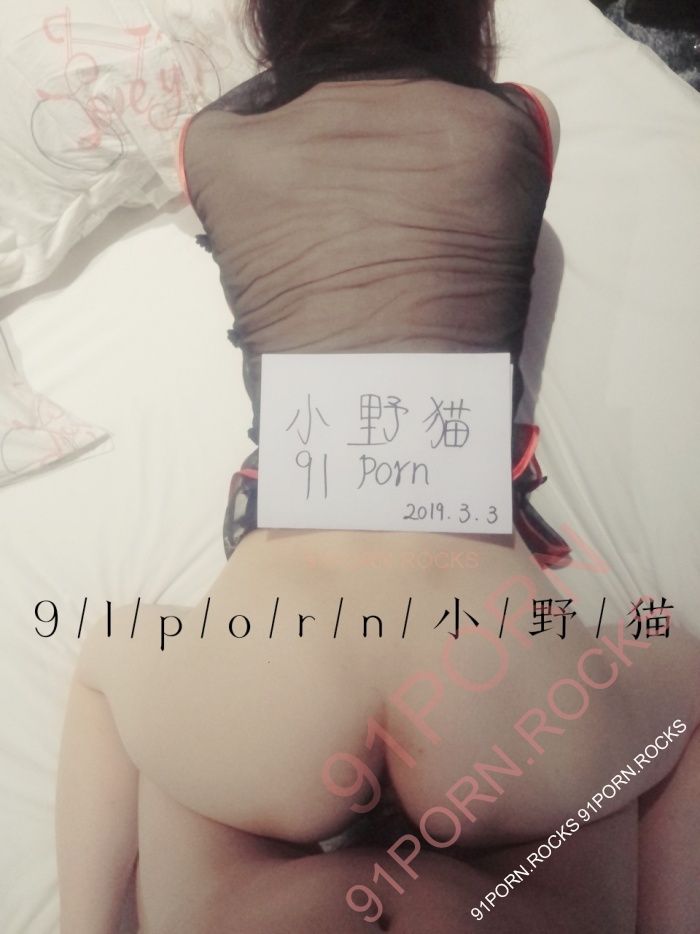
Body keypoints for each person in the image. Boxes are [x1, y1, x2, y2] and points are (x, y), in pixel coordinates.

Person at [56, 1, 700, 932]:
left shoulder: (207, 140)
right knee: (680, 681)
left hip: (279, 659)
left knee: (110, 663)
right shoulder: (523, 118)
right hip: (494, 679)